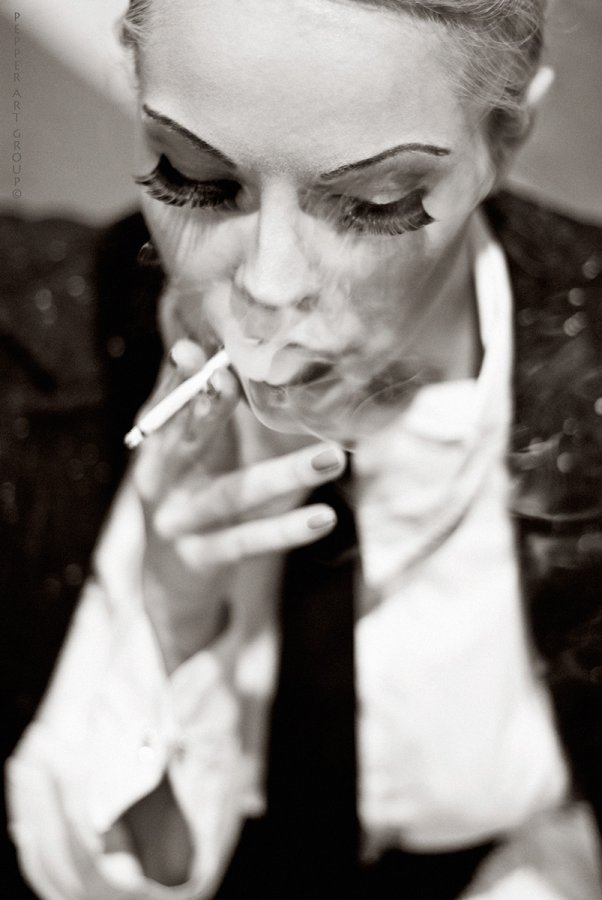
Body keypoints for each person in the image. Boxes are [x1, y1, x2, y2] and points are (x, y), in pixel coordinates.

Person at [4, 0, 602, 897]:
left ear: (502, 142)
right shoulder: (24, 353)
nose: (269, 287)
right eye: (192, 177)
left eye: (373, 204)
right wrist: (167, 618)